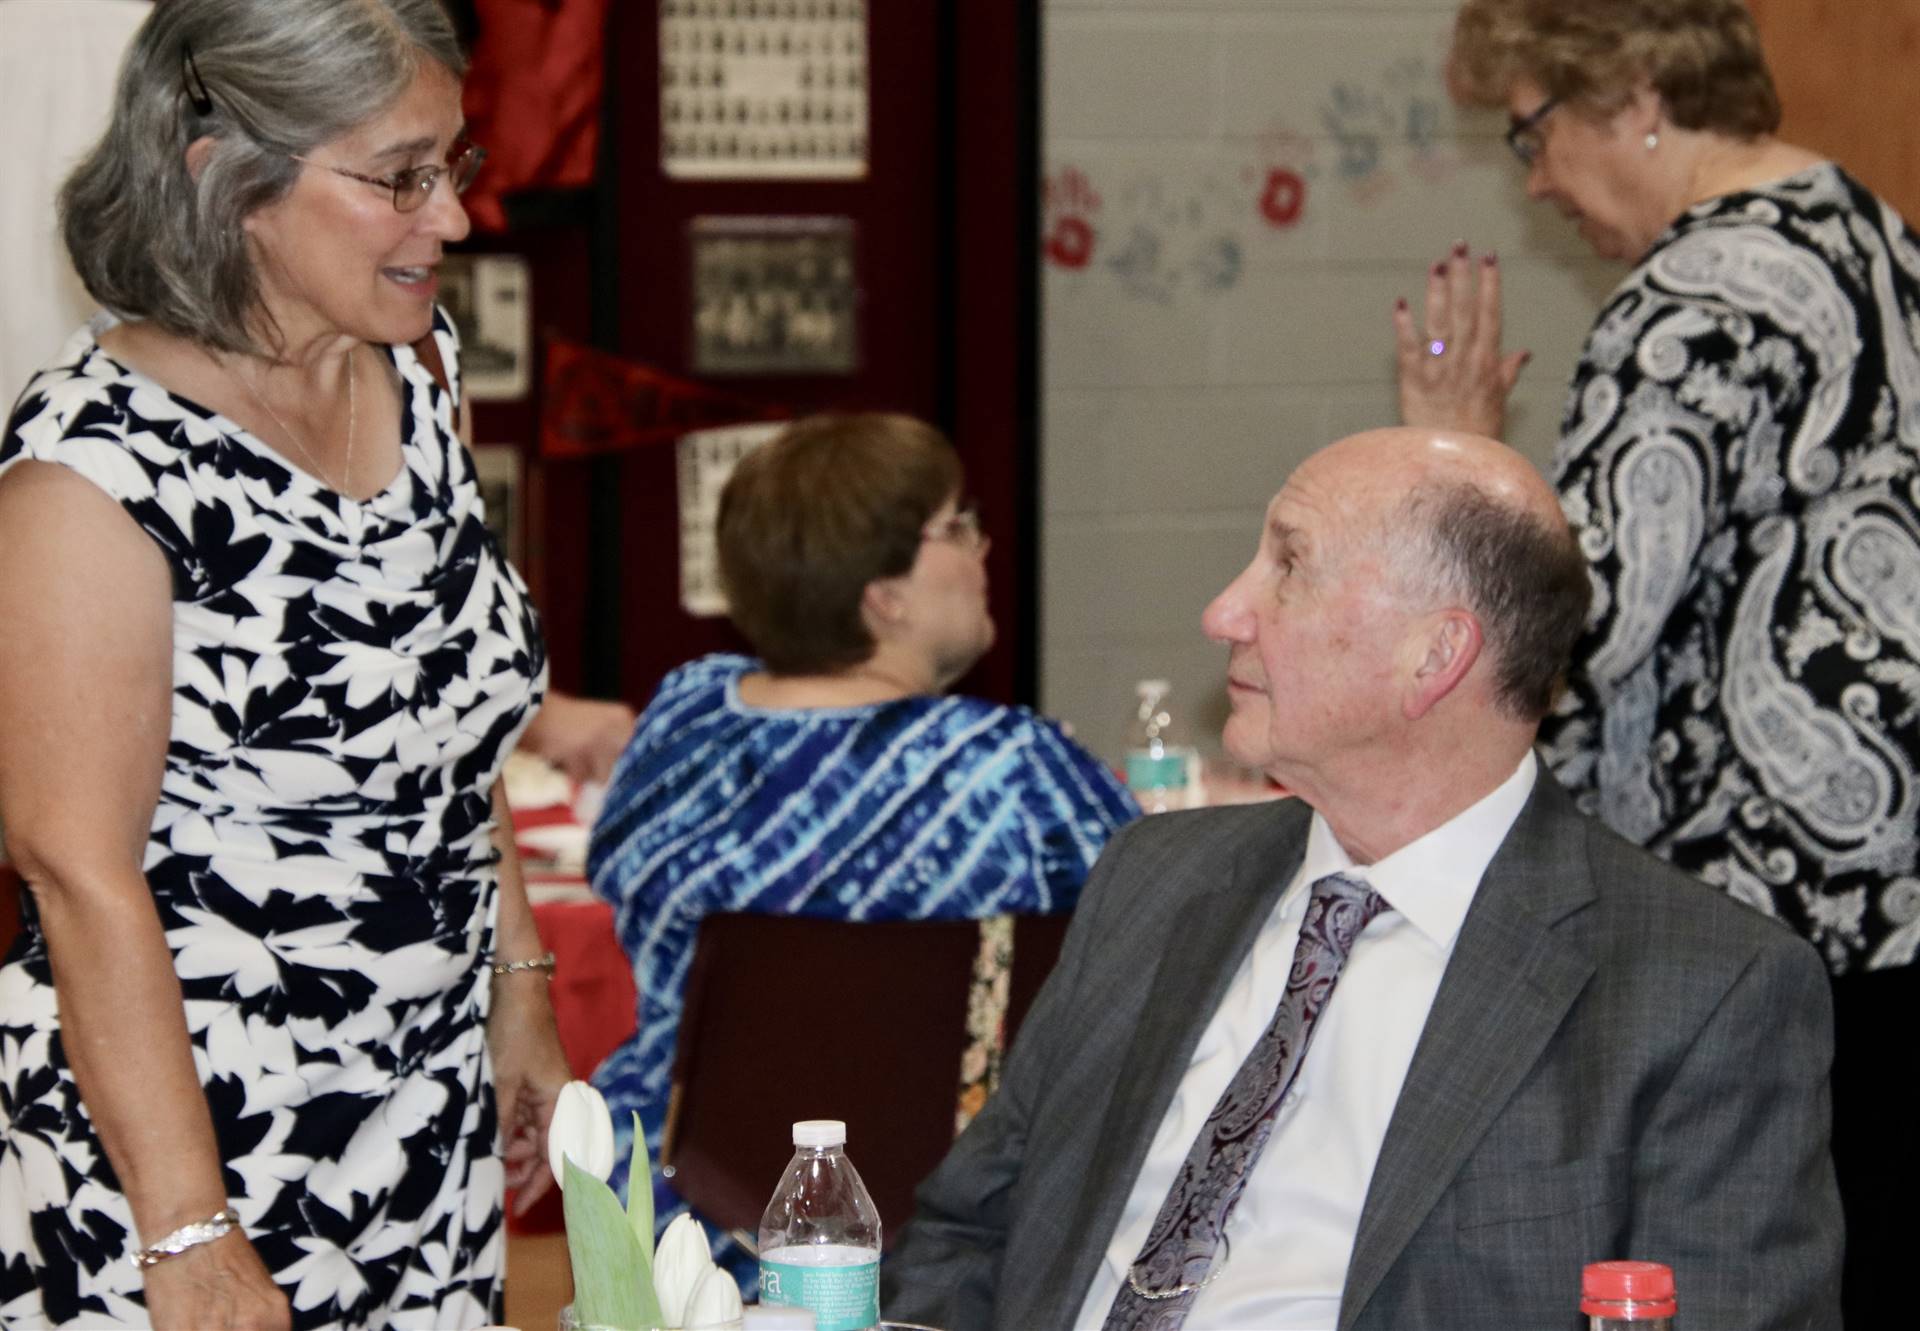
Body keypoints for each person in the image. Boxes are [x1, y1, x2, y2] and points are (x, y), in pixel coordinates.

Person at [882, 427, 1842, 1331]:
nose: (1223, 612)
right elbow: (968, 1233)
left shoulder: (1701, 989)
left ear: (1434, 656)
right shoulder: (1158, 878)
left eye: (1288, 567)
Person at [0, 2, 575, 1326]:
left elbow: (445, 720)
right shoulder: (92, 476)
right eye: (399, 177)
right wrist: (191, 1227)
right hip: (190, 1129)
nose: (454, 219)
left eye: (454, 166)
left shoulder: (418, 370)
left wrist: (519, 979)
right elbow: (76, 871)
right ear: (226, 177)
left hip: (419, 1108)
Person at [1391, 2, 1920, 1320]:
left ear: (1632, 89)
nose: (1535, 181)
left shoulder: (1692, 296)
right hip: (1893, 891)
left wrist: (1456, 458)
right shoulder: (1870, 226)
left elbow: (1566, 630)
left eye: (1533, 131)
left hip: (1765, 907)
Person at [587, 412, 1138, 1292]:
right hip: (931, 1229)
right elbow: (1155, 934)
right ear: (885, 596)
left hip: (668, 1229)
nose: (984, 549)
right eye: (957, 527)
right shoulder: (1013, 771)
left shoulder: (681, 725)